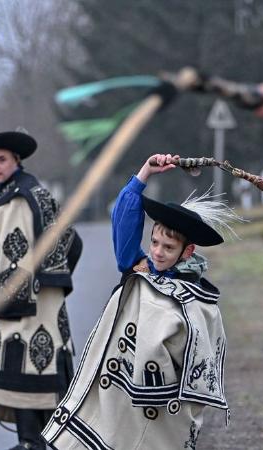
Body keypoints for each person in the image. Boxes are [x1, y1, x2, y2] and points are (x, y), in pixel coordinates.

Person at [42, 154, 241, 450]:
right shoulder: (140, 268)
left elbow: (200, 350)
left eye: (169, 247)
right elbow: (123, 225)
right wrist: (144, 172)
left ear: (188, 252)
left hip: (165, 405)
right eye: (155, 243)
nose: (158, 253)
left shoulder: (197, 297)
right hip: (121, 397)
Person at [0, 130, 83, 450]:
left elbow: (20, 254)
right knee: (28, 368)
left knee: (27, 367)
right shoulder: (22, 191)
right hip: (33, 301)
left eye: (1, 160)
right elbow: (71, 242)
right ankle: (31, 441)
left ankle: (34, 442)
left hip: (24, 304)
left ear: (17, 160)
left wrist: (10, 303)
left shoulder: (21, 197)